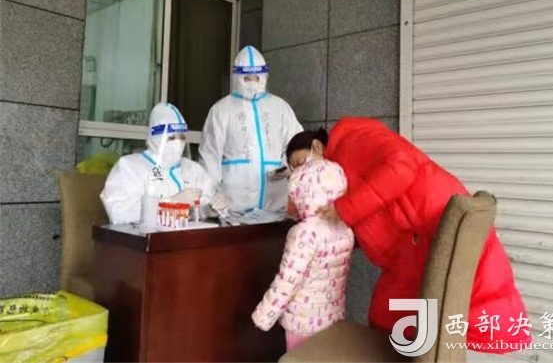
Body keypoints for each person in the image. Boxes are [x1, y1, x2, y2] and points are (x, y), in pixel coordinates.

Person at [285, 118, 531, 353]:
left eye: (301, 163)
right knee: (387, 317)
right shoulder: (338, 175)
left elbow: (401, 168)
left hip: (428, 229)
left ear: (316, 146)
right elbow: (369, 217)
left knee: (397, 321)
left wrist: (344, 209)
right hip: (413, 246)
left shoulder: (351, 141)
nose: (302, 174)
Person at [252, 158, 354, 351]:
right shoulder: (345, 229)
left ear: (303, 195)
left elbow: (288, 280)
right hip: (333, 318)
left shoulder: (304, 233)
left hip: (304, 322)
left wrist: (263, 315)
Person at [199, 46, 303, 214]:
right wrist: (211, 195)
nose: (253, 83)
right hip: (233, 206)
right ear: (236, 77)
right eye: (247, 78)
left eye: (257, 77)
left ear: (265, 76)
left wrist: (286, 168)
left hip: (276, 205)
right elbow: (210, 156)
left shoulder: (280, 107)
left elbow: (297, 145)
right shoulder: (221, 110)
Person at [101, 102, 223, 224]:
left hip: (188, 235)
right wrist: (169, 203)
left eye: (182, 138)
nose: (178, 143)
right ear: (156, 137)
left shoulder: (193, 169)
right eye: (171, 138)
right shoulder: (130, 168)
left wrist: (210, 209)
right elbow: (119, 212)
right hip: (147, 236)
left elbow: (201, 208)